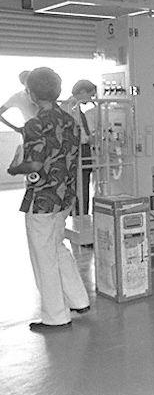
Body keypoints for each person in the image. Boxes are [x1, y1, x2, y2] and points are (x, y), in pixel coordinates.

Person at [7, 67, 90, 332]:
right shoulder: (70, 122)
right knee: (56, 246)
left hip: (42, 199)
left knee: (43, 256)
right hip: (65, 196)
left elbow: (34, 165)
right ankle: (79, 299)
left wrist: (14, 167)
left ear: (30, 94)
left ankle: (56, 316)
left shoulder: (35, 124)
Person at [62, 80, 98, 215]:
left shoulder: (74, 107)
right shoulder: (68, 107)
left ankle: (81, 214)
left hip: (82, 150)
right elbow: (72, 132)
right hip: (77, 150)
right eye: (91, 95)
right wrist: (88, 138)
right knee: (79, 186)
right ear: (82, 92)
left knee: (82, 185)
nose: (91, 99)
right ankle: (79, 215)